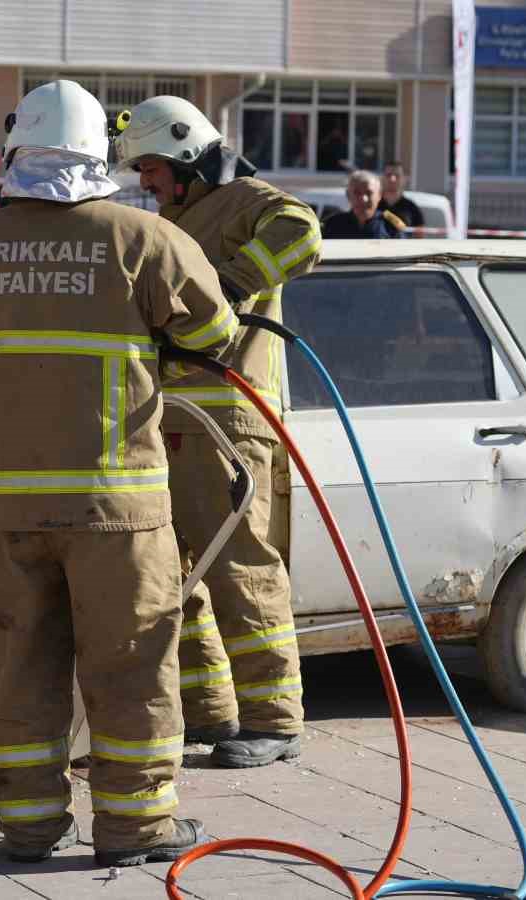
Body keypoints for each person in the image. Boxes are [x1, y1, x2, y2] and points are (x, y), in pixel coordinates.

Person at [0, 80, 236, 868]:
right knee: (130, 665)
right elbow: (217, 336)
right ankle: (134, 827)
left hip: (3, 511)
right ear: (101, 150)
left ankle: (27, 826)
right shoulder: (144, 238)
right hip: (115, 508)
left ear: (16, 148)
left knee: (18, 667)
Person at [115, 95, 321, 769]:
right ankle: (212, 713)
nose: (144, 181)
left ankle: (276, 719)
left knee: (239, 565)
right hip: (173, 418)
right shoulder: (176, 216)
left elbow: (302, 231)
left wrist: (229, 286)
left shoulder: (246, 199)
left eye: (149, 166)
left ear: (183, 152)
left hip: (228, 418)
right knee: (179, 573)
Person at [322, 170, 406, 238]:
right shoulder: (333, 225)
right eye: (357, 193)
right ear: (348, 195)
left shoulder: (391, 226)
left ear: (380, 195)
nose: (363, 199)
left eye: (369, 193)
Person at [379, 162, 424, 228]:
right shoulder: (373, 205)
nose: (392, 179)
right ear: (382, 178)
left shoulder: (412, 208)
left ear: (404, 179)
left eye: (397, 175)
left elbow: (419, 234)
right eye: (388, 175)